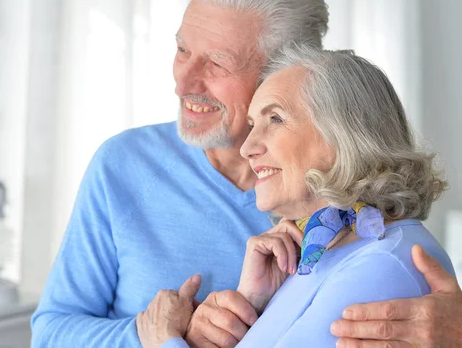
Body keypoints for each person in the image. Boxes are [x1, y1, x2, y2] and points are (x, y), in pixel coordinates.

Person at [31, 0, 462, 348]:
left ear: (285, 73)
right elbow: (50, 332)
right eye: (182, 50)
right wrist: (153, 335)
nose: (183, 84)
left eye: (217, 63)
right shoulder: (122, 164)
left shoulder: (329, 214)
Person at [139, 46, 454, 347]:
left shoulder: (382, 264)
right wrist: (254, 304)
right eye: (252, 125)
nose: (247, 148)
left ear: (342, 134)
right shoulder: (333, 252)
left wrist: (163, 340)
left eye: (274, 119)